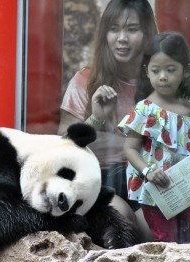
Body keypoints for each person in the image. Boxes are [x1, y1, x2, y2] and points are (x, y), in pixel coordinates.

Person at [58, 0, 157, 242]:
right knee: (122, 222)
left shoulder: (160, 81)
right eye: (114, 29)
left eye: (132, 29)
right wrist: (96, 119)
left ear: (147, 34)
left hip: (149, 180)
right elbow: (62, 148)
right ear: (105, 35)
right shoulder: (85, 81)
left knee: (152, 230)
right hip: (99, 180)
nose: (121, 38)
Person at [118, 32, 190, 244]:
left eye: (170, 70)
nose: (163, 77)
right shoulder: (145, 109)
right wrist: (148, 171)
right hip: (157, 190)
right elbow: (129, 148)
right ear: (146, 72)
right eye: (156, 70)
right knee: (165, 240)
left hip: (186, 187)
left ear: (185, 72)